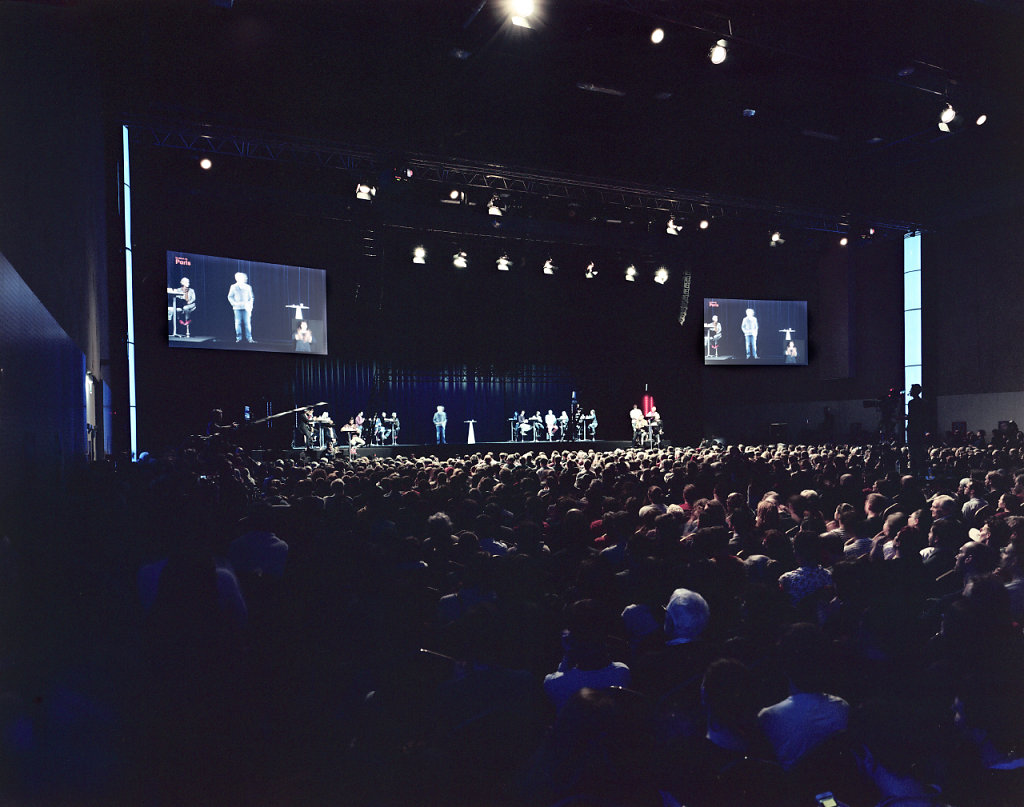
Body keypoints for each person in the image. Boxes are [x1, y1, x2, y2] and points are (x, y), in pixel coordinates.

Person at [227, 271, 254, 343]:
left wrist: (250, 305)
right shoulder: (233, 287)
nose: (245, 278)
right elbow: (230, 297)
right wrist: (234, 304)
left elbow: (251, 297)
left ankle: (249, 338)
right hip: (237, 308)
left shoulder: (248, 287)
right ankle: (239, 338)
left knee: (247, 323)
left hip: (246, 308)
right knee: (238, 323)